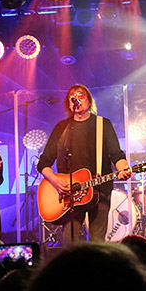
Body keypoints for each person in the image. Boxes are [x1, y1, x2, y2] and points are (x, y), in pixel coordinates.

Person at [37, 84, 132, 244]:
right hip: (69, 195)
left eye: (81, 95)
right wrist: (54, 180)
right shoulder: (62, 128)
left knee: (97, 243)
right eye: (72, 96)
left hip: (99, 190)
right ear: (69, 103)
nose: (77, 98)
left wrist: (123, 168)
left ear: (89, 102)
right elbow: (44, 162)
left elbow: (116, 154)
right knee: (70, 242)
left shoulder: (103, 125)